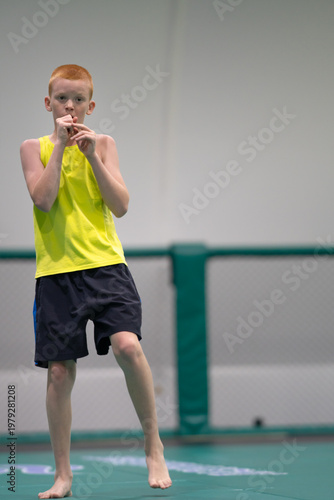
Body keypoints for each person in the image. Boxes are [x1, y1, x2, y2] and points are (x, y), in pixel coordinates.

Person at [20, 64, 172, 499]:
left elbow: (121, 205)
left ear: (91, 105)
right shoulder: (33, 148)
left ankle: (152, 443)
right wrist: (61, 147)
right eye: (62, 99)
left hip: (107, 267)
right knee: (58, 374)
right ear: (49, 104)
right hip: (56, 275)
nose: (71, 106)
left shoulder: (103, 144)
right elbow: (43, 200)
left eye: (79, 99)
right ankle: (63, 474)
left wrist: (88, 156)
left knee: (128, 345)